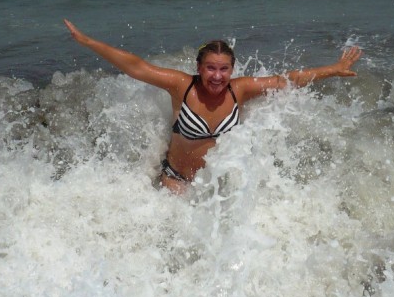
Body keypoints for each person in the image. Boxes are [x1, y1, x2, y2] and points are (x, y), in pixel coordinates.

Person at [64, 19, 362, 193]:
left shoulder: (240, 90)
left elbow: (289, 80)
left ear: (231, 69)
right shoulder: (182, 86)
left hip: (217, 189)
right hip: (175, 183)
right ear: (199, 67)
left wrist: (332, 69)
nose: (216, 76)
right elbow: (136, 66)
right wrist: (89, 42)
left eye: (223, 69)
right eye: (210, 68)